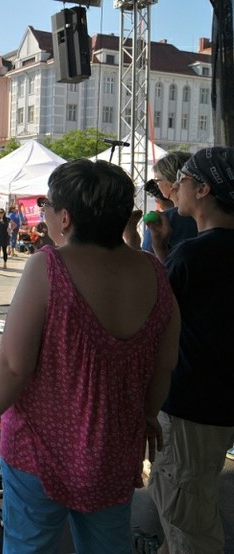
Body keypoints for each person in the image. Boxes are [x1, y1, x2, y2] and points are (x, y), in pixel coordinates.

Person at [0, 159, 180, 552]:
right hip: (114, 450)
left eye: (47, 206)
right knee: (107, 545)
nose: (44, 213)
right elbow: (164, 365)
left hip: (37, 449)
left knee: (31, 544)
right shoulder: (154, 273)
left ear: (65, 218)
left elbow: (13, 366)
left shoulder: (48, 266)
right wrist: (148, 416)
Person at [144, 147, 234, 554]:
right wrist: (164, 249)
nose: (173, 188)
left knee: (188, 522)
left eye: (181, 181)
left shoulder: (196, 254)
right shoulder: (205, 250)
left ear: (203, 188)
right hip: (217, 404)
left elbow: (155, 310)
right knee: (189, 504)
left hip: (190, 408)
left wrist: (135, 244)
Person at [143, 151, 198, 260]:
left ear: (172, 182)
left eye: (157, 180)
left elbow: (147, 262)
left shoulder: (161, 223)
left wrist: (131, 239)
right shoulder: (207, 212)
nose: (156, 185)